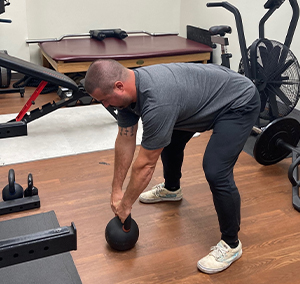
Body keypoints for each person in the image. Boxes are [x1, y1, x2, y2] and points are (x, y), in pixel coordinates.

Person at [84, 59, 260, 274]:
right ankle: (172, 189)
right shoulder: (126, 97)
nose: (105, 106)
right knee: (168, 141)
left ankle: (231, 245)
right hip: (197, 102)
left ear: (119, 86)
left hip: (236, 102)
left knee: (216, 170)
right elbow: (124, 139)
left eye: (104, 100)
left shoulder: (158, 101)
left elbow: (146, 165)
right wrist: (116, 190)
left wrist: (126, 205)